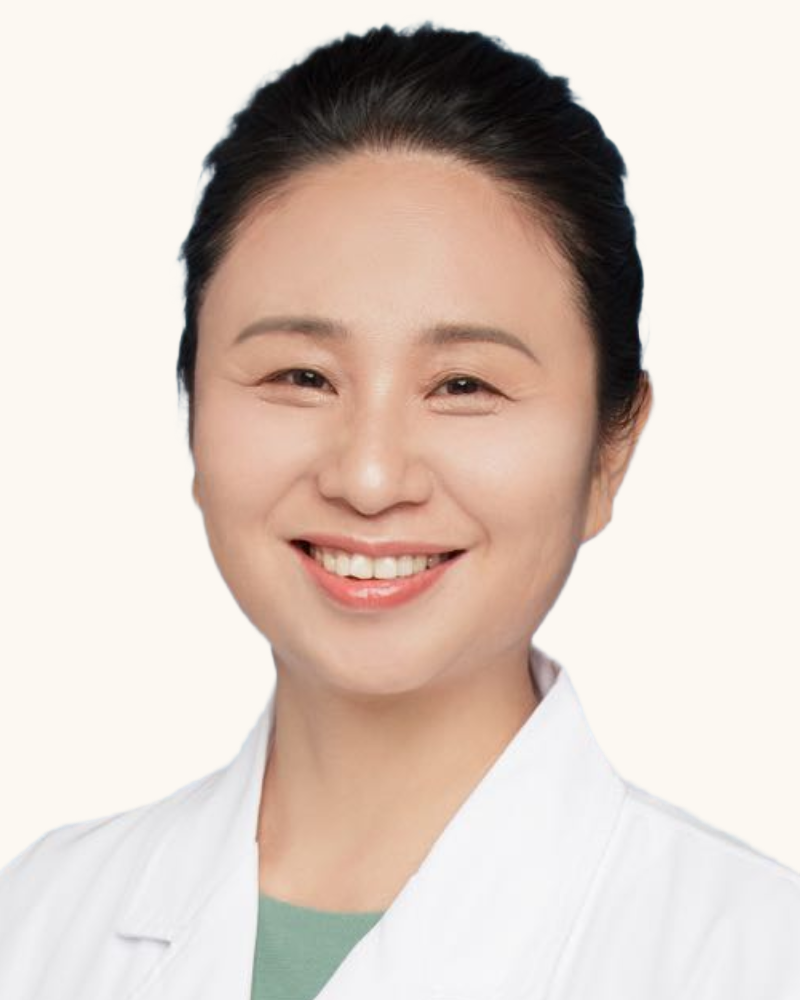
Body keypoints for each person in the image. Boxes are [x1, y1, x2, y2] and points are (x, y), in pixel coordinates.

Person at [1, 22, 798, 1000]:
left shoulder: (757, 958)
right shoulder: (36, 923)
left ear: (609, 450)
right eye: (301, 376)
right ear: (192, 408)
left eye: (464, 385)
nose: (370, 477)